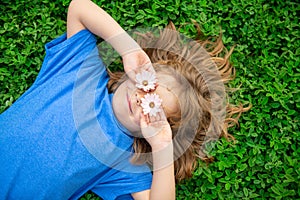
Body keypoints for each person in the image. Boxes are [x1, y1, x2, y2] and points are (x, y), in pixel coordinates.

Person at [0, 0, 248, 199]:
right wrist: (129, 49)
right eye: (148, 87)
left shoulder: (126, 160)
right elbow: (79, 7)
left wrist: (162, 146)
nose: (142, 102)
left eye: (155, 109)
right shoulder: (82, 70)